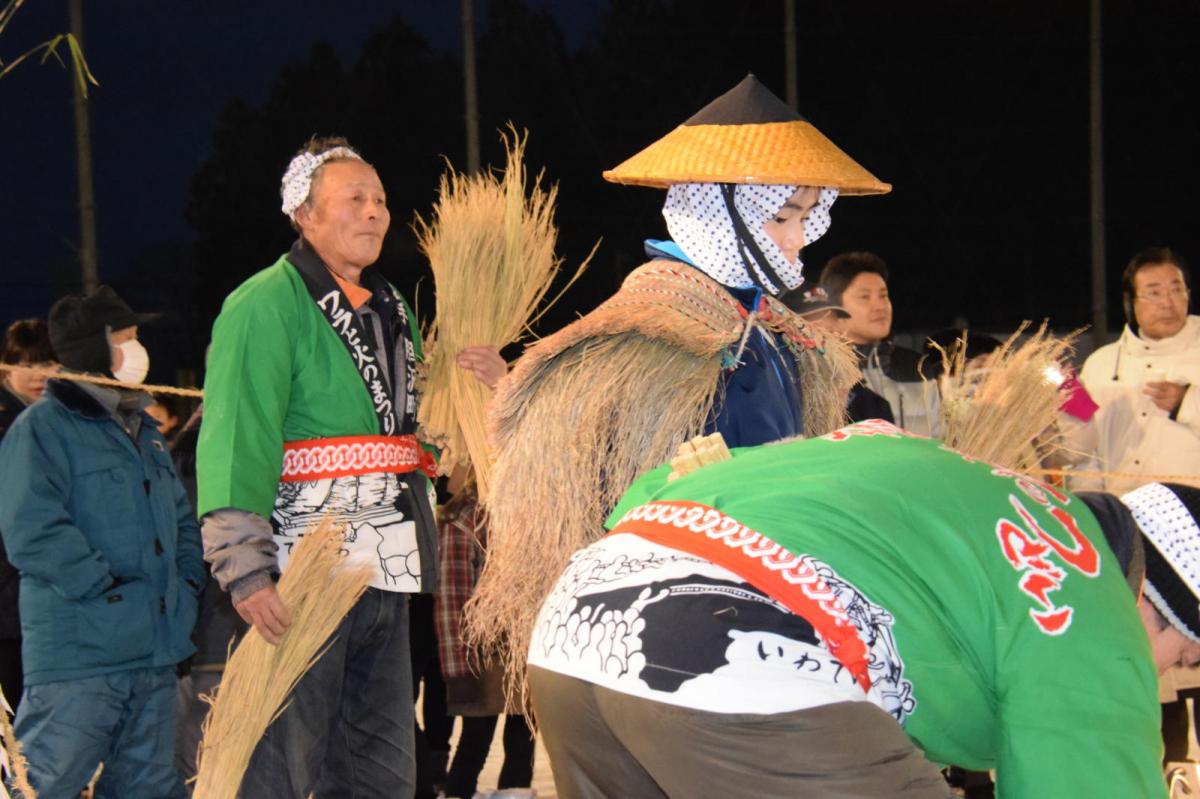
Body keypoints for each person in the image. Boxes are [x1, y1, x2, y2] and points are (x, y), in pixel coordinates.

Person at [470, 74, 887, 678]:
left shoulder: (771, 332)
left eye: (805, 218)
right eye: (781, 218)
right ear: (720, 217)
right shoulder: (644, 336)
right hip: (682, 634)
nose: (798, 240)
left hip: (776, 607)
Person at [527, 419, 1191, 798]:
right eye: (1183, 655)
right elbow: (1087, 779)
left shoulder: (969, 484)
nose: (1162, 674)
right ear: (1152, 600)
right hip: (731, 652)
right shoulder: (1087, 588)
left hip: (576, 629)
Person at [196, 136, 503, 798]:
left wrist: (478, 392)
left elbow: (417, 437)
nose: (373, 212)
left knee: (380, 766)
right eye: (354, 198)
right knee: (285, 761)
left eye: (381, 200)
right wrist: (245, 568)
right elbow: (237, 438)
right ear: (304, 214)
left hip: (386, 566)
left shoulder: (391, 308)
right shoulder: (264, 303)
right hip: (301, 567)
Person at [0, 287, 203, 799]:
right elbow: (32, 529)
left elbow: (180, 520)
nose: (138, 350)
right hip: (80, 653)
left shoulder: (144, 429)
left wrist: (185, 586)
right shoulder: (42, 428)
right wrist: (104, 590)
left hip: (155, 650)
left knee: (149, 786)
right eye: (126, 338)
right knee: (44, 783)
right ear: (96, 347)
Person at [436, 483, 537, 799]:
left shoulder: (529, 512)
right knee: (475, 744)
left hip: (522, 650)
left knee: (522, 745)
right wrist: (459, 667)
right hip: (482, 655)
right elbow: (452, 601)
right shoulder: (465, 520)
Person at [1073, 247, 1200, 495]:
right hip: (1120, 507)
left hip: (1190, 508)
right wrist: (1093, 505)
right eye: (1154, 293)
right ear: (1131, 303)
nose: (1167, 303)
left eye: (1177, 290)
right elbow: (1084, 452)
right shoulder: (1101, 363)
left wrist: (1186, 402)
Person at [820, 250, 943, 436]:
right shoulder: (825, 371)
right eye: (864, 297)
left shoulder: (917, 367)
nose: (879, 306)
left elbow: (939, 438)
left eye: (883, 296)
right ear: (834, 307)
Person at [0, 318, 57, 713]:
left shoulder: (51, 419)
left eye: (47, 363)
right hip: (13, 591)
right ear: (6, 368)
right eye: (27, 364)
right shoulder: (12, 424)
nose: (38, 375)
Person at [781, 286, 894, 424]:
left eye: (834, 328)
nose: (834, 339)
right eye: (819, 330)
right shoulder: (778, 396)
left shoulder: (872, 406)